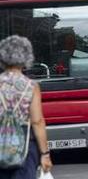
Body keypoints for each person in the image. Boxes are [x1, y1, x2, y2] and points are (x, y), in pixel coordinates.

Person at [0, 36, 52, 179]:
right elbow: (37, 121)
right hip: (25, 147)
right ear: (26, 58)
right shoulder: (31, 86)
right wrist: (45, 154)